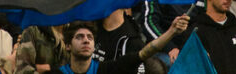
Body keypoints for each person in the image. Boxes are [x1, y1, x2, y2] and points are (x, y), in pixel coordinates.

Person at [51, 16, 189, 74]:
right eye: (79, 37)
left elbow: (147, 51)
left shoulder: (106, 70)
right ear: (68, 46)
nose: (86, 40)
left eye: (90, 37)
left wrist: (171, 31)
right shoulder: (57, 73)